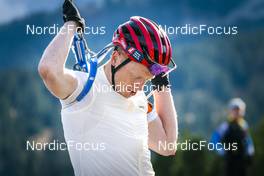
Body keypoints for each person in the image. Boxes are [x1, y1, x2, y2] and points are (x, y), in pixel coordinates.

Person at [38, 0, 178, 175]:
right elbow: (48, 69)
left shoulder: (139, 98)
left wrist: (161, 81)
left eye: (147, 79)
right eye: (136, 77)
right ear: (115, 57)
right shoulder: (85, 87)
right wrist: (72, 25)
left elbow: (167, 145)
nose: (139, 86)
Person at [211, 98, 255, 176]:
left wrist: (250, 153)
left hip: (242, 161)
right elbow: (214, 140)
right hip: (230, 161)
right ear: (230, 111)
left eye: (238, 110)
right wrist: (222, 151)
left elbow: (248, 141)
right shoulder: (225, 126)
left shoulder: (244, 125)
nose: (237, 112)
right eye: (234, 110)